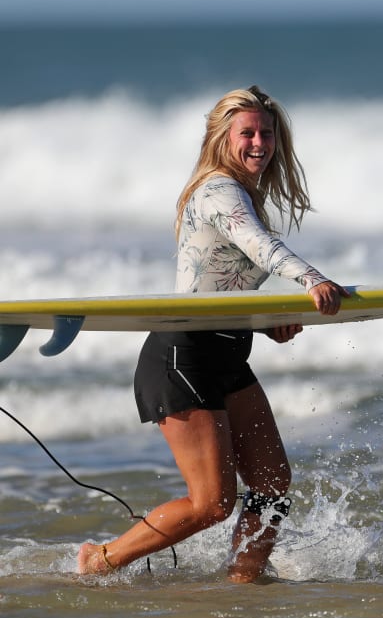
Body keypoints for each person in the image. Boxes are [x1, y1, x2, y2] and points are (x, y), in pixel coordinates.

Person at [77, 85, 348, 583]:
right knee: (212, 503)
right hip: (183, 357)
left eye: (267, 133)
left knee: (271, 484)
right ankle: (102, 559)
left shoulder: (242, 193)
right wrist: (312, 280)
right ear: (223, 137)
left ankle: (244, 580)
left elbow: (223, 283)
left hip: (225, 354)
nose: (259, 143)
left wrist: (266, 323)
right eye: (248, 132)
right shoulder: (219, 191)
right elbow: (260, 247)